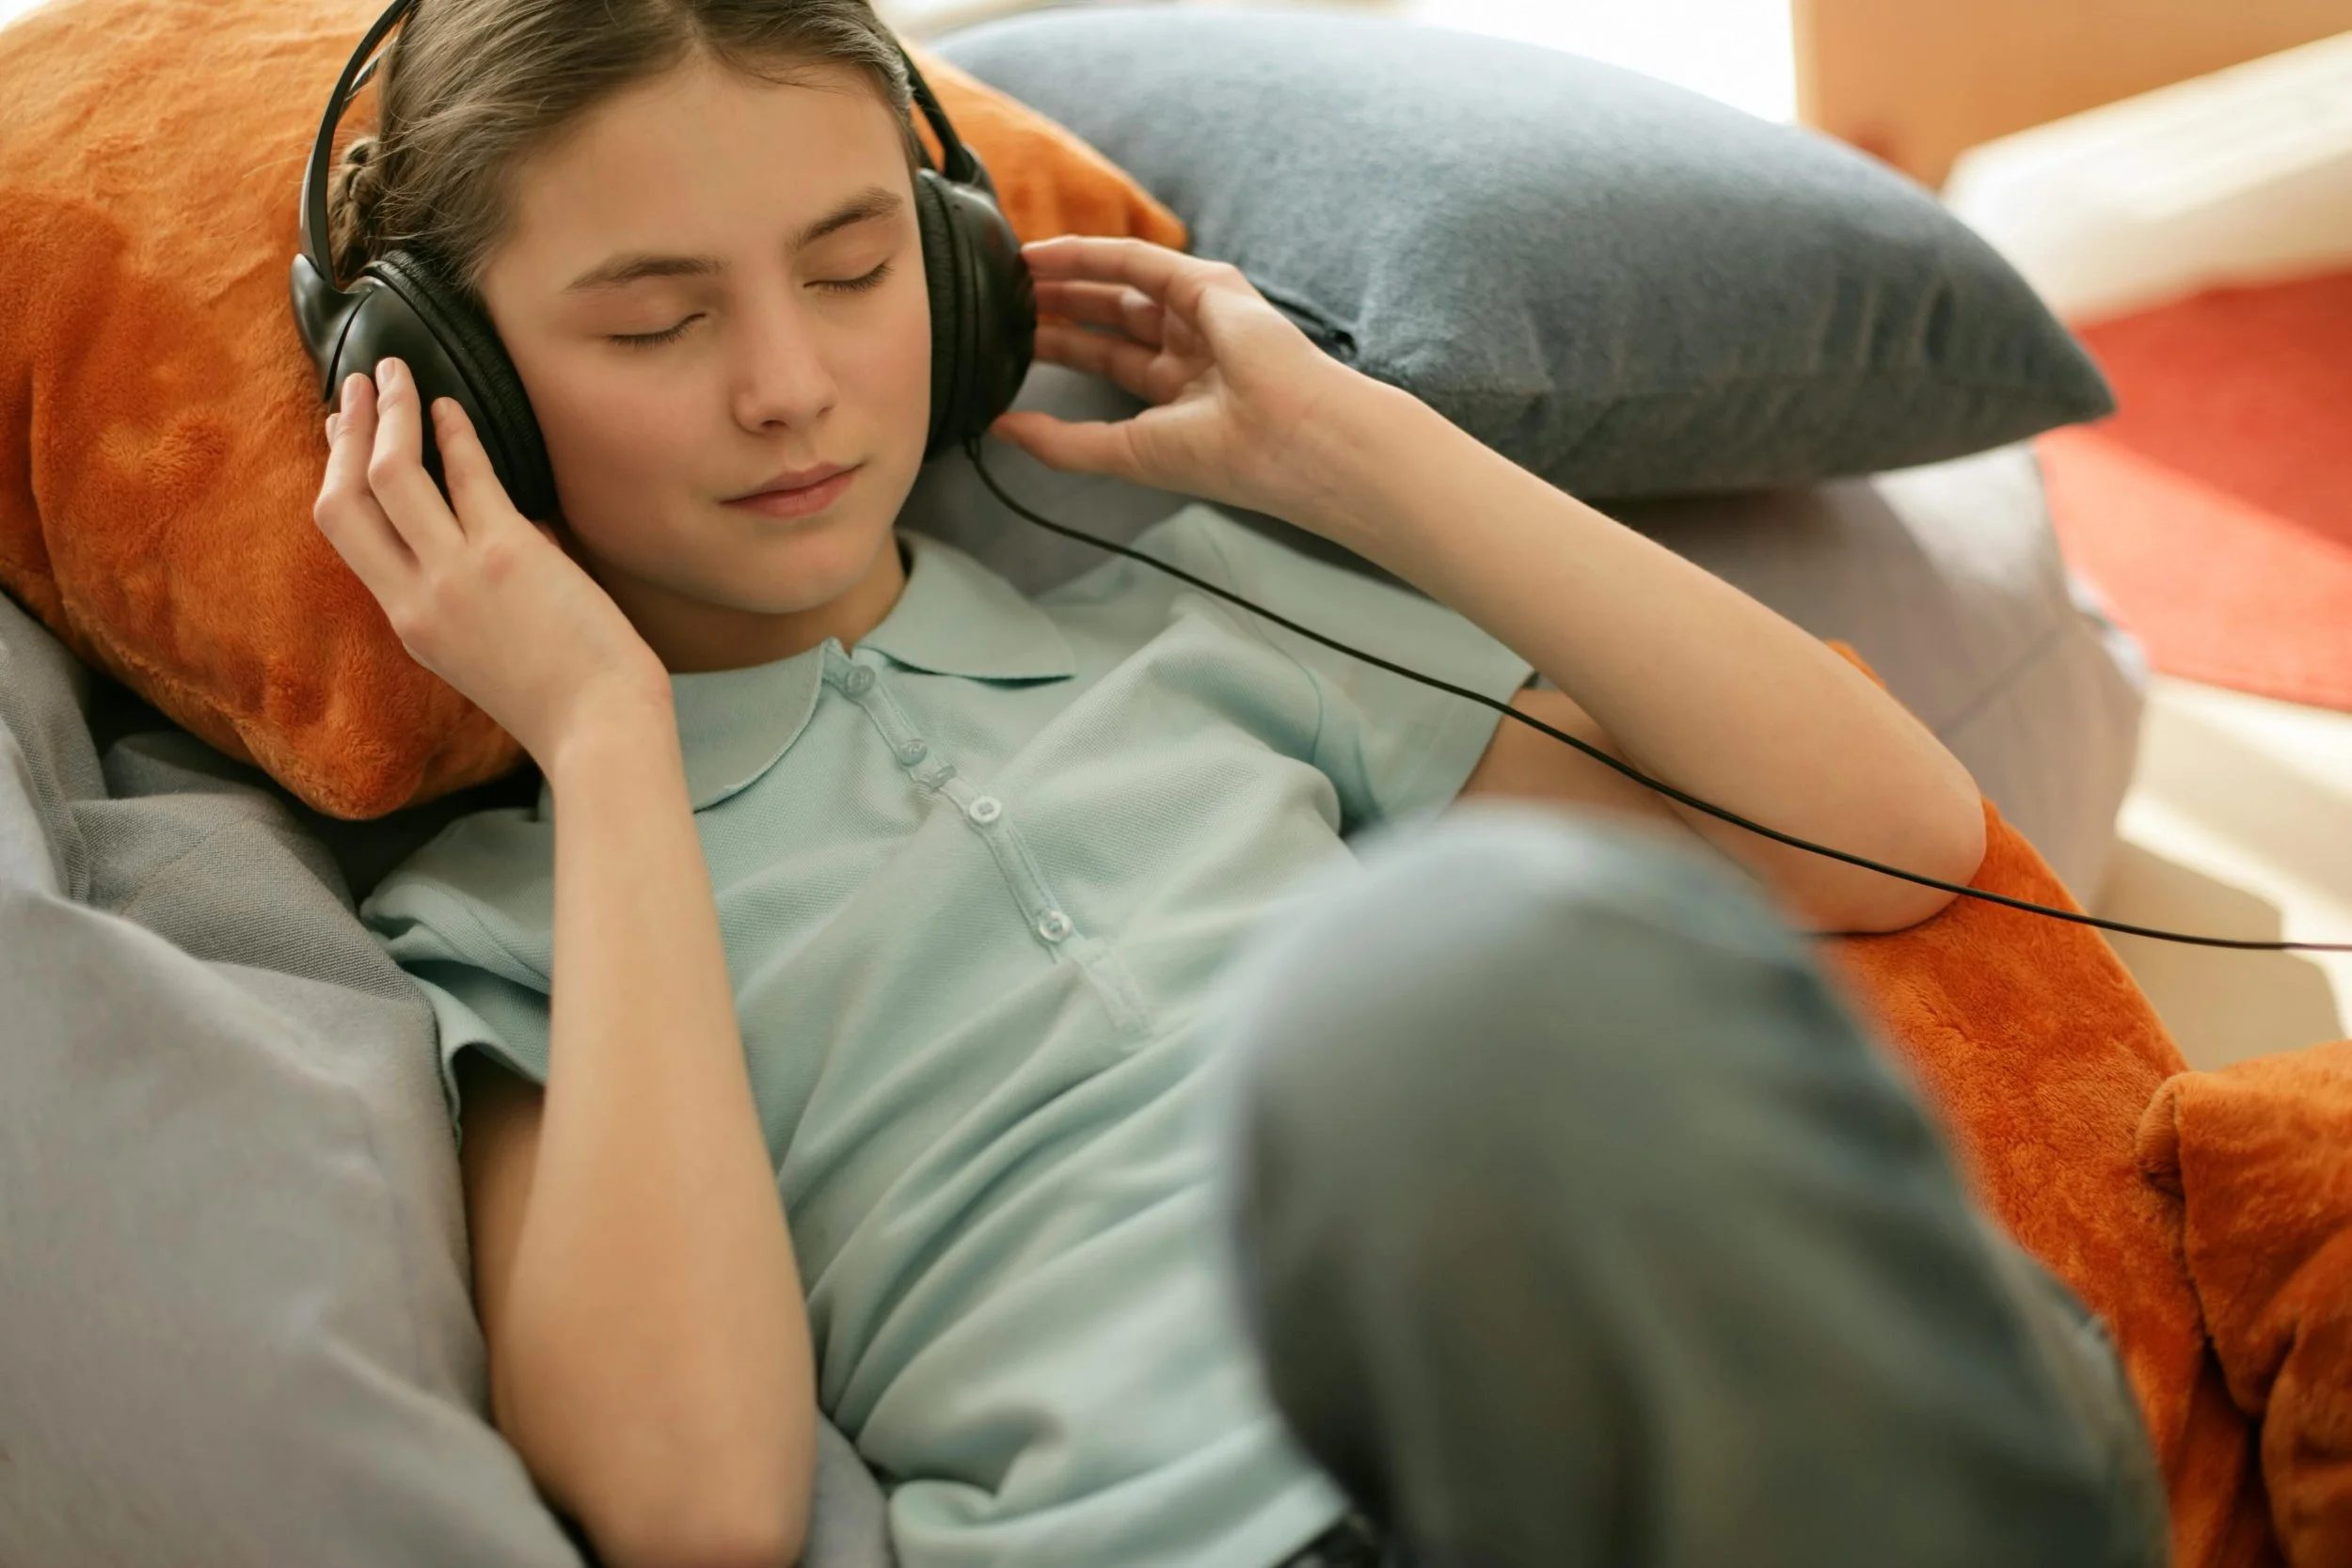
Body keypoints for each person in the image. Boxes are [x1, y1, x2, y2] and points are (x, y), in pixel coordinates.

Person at [313, 3, 2171, 1566]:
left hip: (1659, 1463)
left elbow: (1887, 842)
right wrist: (608, 734)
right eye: (656, 323)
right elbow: (688, 1497)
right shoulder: (507, 906)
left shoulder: (1202, 619)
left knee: (1517, 966)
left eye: (857, 265)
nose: (790, 382)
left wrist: (1361, 456)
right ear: (440, 378)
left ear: (949, 265)